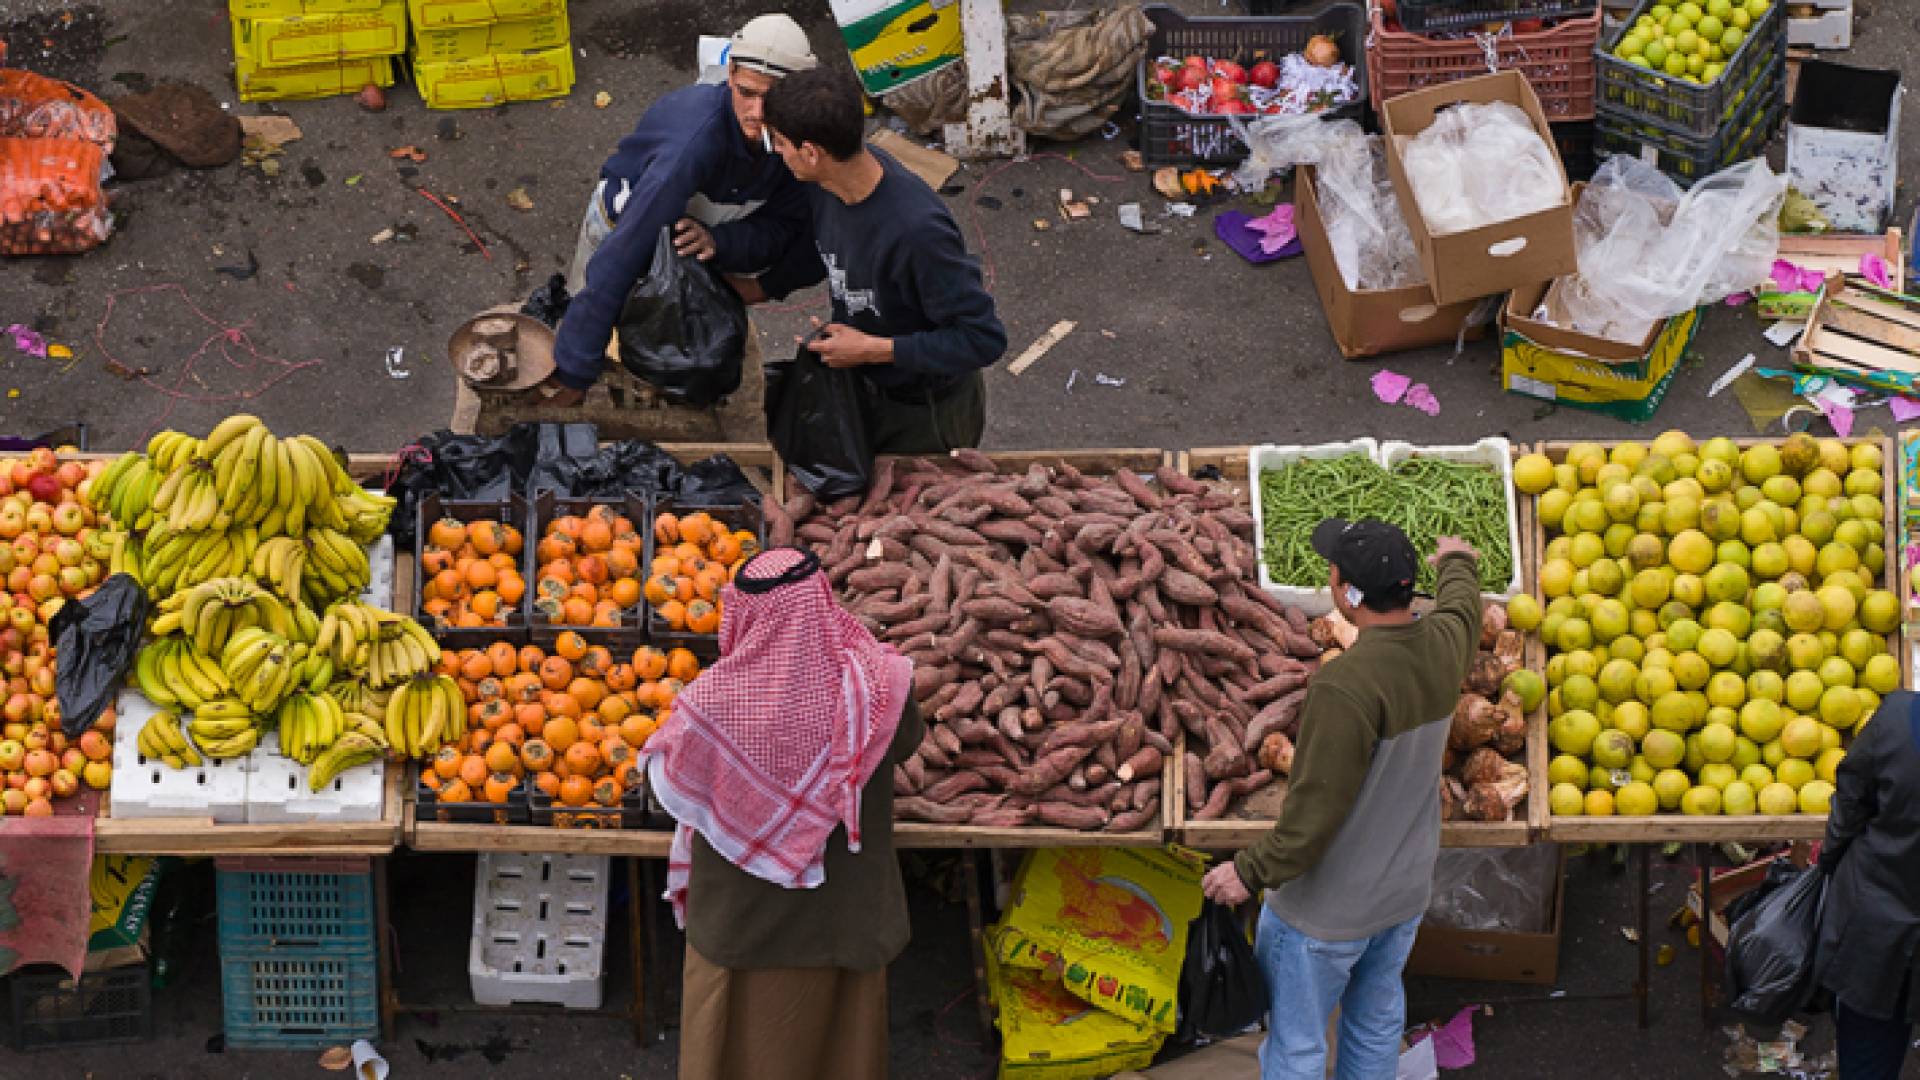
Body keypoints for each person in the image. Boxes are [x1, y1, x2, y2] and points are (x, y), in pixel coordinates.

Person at [1201, 520, 1482, 1080]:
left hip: (1327, 912)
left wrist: (1248, 872)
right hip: (1403, 894)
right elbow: (1463, 607)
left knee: (1297, 1044)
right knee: (1375, 1024)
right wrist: (1457, 560)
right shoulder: (1445, 644)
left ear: (1346, 591)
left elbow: (1313, 817)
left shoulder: (1344, 685)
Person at [640, 546, 923, 1080]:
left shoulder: (712, 705)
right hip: (845, 916)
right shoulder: (877, 684)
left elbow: (663, 789)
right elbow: (906, 740)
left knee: (734, 1054)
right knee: (842, 1056)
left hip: (742, 926)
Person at [542, 14, 822, 405]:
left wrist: (722, 243)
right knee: (593, 314)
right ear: (730, 74)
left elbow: (788, 226)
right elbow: (621, 256)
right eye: (746, 93)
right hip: (623, 229)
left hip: (692, 250)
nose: (757, 112)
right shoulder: (690, 147)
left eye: (771, 97)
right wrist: (574, 369)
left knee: (666, 359)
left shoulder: (795, 140)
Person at [758, 66, 1007, 454]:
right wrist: (761, 288)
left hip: (926, 413)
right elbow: (822, 249)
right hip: (869, 387)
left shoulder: (916, 234)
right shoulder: (827, 184)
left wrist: (872, 348)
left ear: (810, 153)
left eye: (779, 142)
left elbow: (982, 339)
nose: (775, 151)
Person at [1815, 690, 1919, 1080]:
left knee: (1868, 1057)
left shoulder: (1897, 718)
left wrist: (1829, 861)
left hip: (1878, 928)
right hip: (1883, 926)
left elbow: (1850, 802)